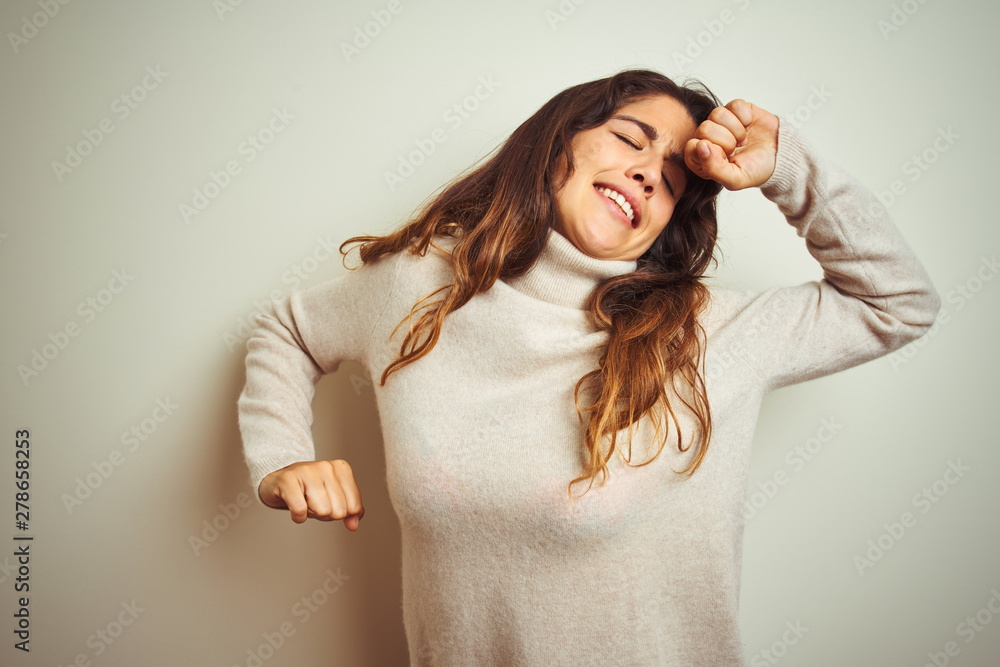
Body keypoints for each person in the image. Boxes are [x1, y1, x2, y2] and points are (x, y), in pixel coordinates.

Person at [237, 68, 940, 665]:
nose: (645, 171)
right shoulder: (421, 290)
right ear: (555, 149)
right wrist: (282, 459)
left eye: (667, 182)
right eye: (630, 140)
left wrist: (788, 166)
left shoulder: (703, 335)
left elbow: (899, 301)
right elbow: (287, 328)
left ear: (666, 223)